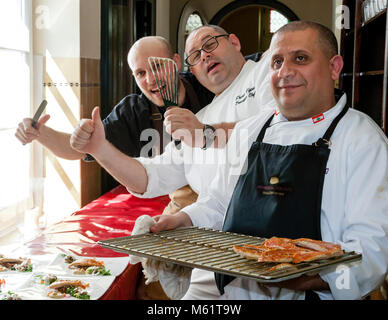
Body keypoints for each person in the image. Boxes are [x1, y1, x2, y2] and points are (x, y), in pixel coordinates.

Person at [151, 21, 388, 300]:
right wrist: (184, 219)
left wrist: (312, 277)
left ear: (334, 67)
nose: (285, 72)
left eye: (300, 58)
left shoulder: (362, 140)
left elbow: (372, 251)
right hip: (231, 293)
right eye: (276, 62)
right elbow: (217, 202)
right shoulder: (250, 130)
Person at [69, 25, 276, 298]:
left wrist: (207, 134)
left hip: (275, 243)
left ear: (235, 42)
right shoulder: (204, 114)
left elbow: (278, 130)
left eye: (210, 44)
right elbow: (153, 176)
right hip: (220, 251)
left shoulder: (267, 72)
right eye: (194, 55)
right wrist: (100, 149)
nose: (203, 56)